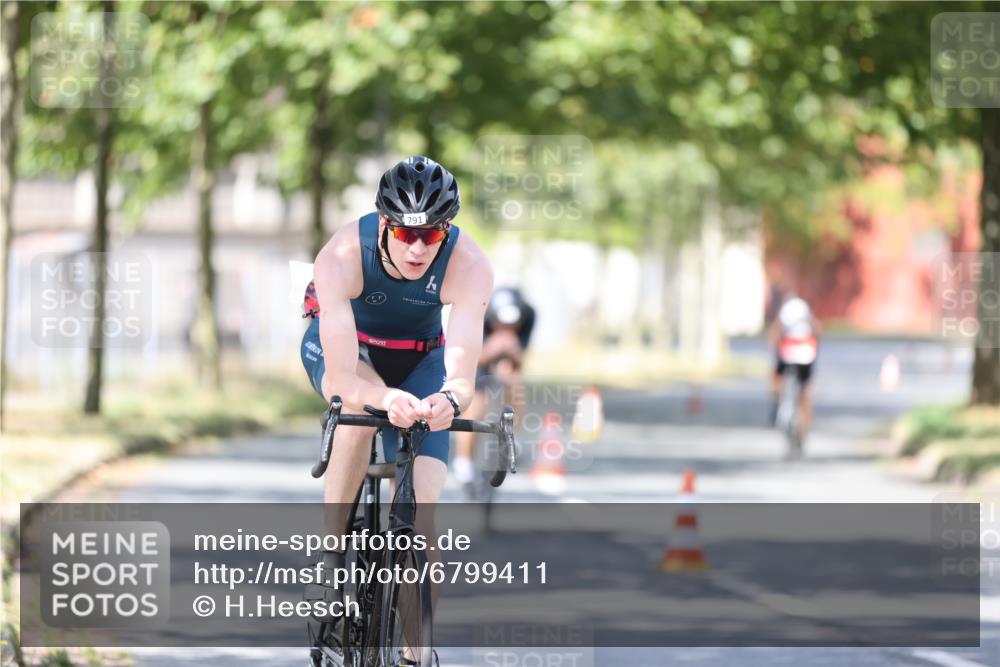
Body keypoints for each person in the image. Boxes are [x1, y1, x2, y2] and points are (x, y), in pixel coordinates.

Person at [298, 157, 493, 637]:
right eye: (407, 235)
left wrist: (450, 399)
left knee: (422, 515)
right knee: (355, 416)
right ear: (384, 224)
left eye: (432, 234)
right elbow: (343, 379)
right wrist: (386, 399)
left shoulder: (470, 265)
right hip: (350, 353)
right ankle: (331, 558)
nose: (419, 248)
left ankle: (413, 652)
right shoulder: (342, 255)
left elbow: (463, 375)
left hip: (421, 358)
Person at [451, 287, 535, 493]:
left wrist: (510, 357)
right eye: (502, 323)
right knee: (477, 398)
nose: (506, 328)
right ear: (493, 318)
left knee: (515, 382)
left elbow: (521, 359)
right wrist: (492, 351)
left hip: (508, 357)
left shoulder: (529, 315)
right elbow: (470, 358)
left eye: (512, 325)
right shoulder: (479, 314)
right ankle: (464, 461)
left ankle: (514, 435)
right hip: (479, 353)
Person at [769, 295, 820, 437]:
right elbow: (816, 329)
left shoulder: (785, 310)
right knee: (805, 387)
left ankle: (776, 404)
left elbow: (776, 331)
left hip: (787, 350)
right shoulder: (805, 310)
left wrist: (774, 346)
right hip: (806, 352)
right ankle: (806, 421)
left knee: (777, 375)